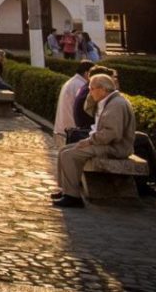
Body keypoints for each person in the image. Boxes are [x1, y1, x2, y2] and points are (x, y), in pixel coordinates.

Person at [53, 73, 135, 207]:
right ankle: (66, 190)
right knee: (63, 150)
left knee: (70, 155)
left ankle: (73, 197)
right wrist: (92, 97)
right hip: (105, 143)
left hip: (115, 147)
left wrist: (90, 141)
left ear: (103, 89)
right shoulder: (106, 101)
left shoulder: (116, 104)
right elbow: (88, 109)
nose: (89, 92)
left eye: (92, 89)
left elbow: (111, 134)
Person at [55, 60, 95, 140]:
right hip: (71, 131)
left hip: (62, 128)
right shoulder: (81, 85)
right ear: (87, 73)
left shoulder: (72, 82)